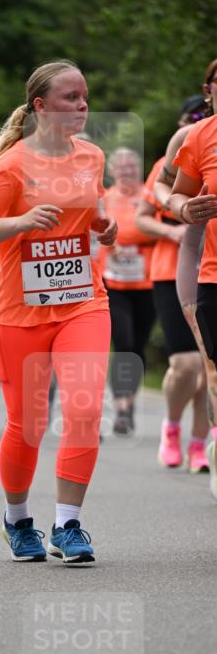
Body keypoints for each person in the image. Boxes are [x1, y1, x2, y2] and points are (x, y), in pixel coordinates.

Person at [0, 59, 117, 564]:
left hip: (82, 303)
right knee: (26, 424)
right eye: (70, 98)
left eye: (85, 97)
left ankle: (68, 524)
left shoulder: (91, 157)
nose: (82, 106)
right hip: (19, 312)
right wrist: (22, 221)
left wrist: (104, 228)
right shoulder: (12, 165)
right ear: (41, 107)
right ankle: (17, 519)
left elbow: (90, 213)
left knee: (86, 408)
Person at [135, 96, 210, 471]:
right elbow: (143, 216)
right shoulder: (172, 166)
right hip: (171, 271)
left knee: (206, 366)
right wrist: (174, 231)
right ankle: (172, 427)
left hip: (209, 269)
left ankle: (200, 445)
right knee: (186, 364)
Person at [169, 100, 217, 495]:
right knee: (202, 367)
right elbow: (169, 195)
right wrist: (183, 209)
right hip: (204, 269)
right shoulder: (196, 137)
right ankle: (191, 437)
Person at [99, 148, 156, 435]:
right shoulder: (106, 198)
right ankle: (121, 408)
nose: (126, 171)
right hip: (114, 282)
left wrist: (138, 242)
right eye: (121, 166)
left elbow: (159, 228)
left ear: (139, 168)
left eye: (131, 165)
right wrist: (113, 246)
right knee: (124, 340)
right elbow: (93, 230)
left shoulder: (150, 195)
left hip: (147, 281)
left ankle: (130, 402)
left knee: (139, 344)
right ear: (112, 170)